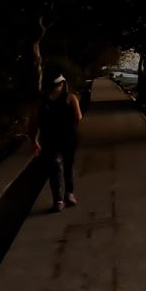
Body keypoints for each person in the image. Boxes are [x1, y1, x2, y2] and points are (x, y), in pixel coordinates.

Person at [32, 74, 83, 212]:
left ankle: (58, 200)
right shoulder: (70, 97)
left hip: (49, 139)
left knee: (54, 169)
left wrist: (35, 139)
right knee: (68, 166)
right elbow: (79, 117)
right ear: (62, 83)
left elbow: (38, 122)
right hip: (68, 138)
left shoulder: (43, 101)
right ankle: (69, 194)